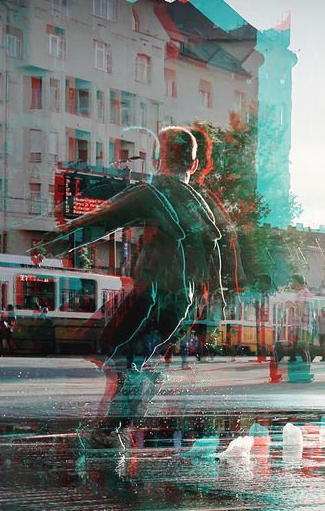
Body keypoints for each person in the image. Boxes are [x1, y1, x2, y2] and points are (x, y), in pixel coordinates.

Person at [29, 126, 241, 440]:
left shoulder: (151, 193)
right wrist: (214, 301)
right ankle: (118, 423)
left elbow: (101, 221)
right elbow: (216, 257)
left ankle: (113, 427)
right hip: (183, 305)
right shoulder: (201, 206)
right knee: (131, 358)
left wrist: (51, 245)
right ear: (193, 166)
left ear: (158, 159)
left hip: (151, 297)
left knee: (115, 353)